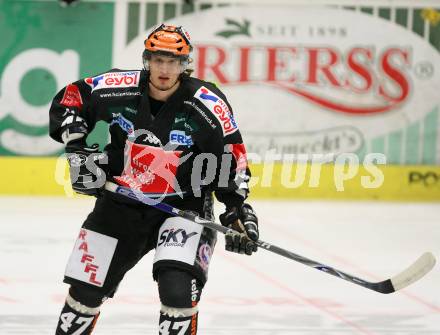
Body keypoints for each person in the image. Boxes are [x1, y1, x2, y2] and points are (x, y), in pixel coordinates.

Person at [49, 24, 259, 335]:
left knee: (177, 294)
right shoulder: (119, 86)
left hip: (183, 208)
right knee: (84, 292)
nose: (165, 69)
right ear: (147, 60)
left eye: (173, 61)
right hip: (120, 201)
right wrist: (78, 148)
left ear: (185, 64)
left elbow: (231, 155)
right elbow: (72, 98)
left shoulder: (207, 103)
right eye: (158, 60)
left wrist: (236, 208)